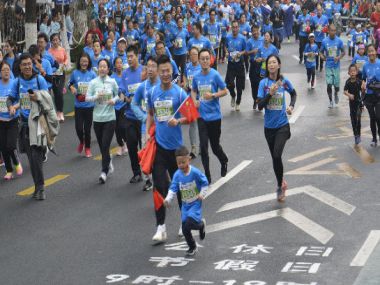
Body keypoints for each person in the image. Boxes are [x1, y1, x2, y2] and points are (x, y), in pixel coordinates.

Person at [146, 55, 187, 243]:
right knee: (159, 186)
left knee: (179, 188)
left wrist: (177, 120)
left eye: (167, 71)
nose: (164, 74)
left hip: (177, 151)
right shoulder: (153, 92)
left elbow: (191, 115)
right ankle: (160, 227)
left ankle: (184, 221)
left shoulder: (179, 93)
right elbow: (150, 113)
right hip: (160, 149)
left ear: (172, 71)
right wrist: (147, 133)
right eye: (161, 71)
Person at [7, 53, 53, 200]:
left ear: (32, 65)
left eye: (29, 64)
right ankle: (37, 186)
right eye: (24, 64)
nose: (27, 67)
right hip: (25, 125)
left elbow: (48, 101)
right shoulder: (18, 82)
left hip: (39, 123)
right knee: (31, 158)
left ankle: (41, 188)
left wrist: (37, 97)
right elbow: (10, 98)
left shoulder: (39, 80)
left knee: (35, 156)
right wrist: (11, 107)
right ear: (20, 67)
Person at [257, 55, 297, 202]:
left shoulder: (283, 81)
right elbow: (260, 105)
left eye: (274, 62)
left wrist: (291, 105)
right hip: (269, 127)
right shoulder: (263, 83)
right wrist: (270, 93)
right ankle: (281, 182)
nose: (272, 65)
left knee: (276, 155)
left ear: (279, 65)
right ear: (267, 67)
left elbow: (293, 93)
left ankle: (280, 186)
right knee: (275, 159)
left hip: (282, 126)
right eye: (269, 63)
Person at [191, 48, 228, 184]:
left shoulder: (215, 75)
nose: (205, 61)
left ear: (210, 60)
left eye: (207, 58)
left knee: (215, 147)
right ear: (199, 60)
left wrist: (213, 95)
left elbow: (225, 91)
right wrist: (194, 100)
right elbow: (193, 90)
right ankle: (207, 175)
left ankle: (223, 160)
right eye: (202, 59)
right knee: (204, 148)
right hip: (202, 117)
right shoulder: (196, 76)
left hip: (215, 117)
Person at [164, 146, 207, 256]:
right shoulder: (177, 175)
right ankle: (192, 247)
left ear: (189, 159)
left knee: (189, 223)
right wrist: (168, 199)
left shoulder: (195, 172)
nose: (181, 165)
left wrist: (202, 194)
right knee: (185, 229)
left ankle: (201, 225)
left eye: (183, 162)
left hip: (195, 203)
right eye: (179, 163)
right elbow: (173, 187)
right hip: (185, 206)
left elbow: (204, 182)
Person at [83, 59, 120, 183]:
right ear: (97, 69)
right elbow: (87, 98)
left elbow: (119, 94)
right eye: (100, 66)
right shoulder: (93, 83)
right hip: (97, 119)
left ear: (108, 69)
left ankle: (104, 172)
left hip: (110, 118)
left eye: (105, 66)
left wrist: (114, 100)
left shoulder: (112, 81)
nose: (102, 68)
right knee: (102, 146)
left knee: (105, 144)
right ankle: (108, 159)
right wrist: (95, 97)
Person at [131, 56, 160, 192]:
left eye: (153, 66)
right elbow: (134, 103)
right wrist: (143, 117)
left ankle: (161, 179)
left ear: (158, 69)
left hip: (161, 128)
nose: (150, 69)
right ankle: (149, 180)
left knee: (160, 155)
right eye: (148, 66)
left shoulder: (163, 85)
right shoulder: (143, 87)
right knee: (147, 155)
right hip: (147, 129)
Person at [120, 45, 144, 184]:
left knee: (144, 147)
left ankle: (148, 172)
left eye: (131, 56)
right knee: (132, 145)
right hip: (129, 115)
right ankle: (136, 173)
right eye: (127, 57)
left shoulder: (144, 71)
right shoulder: (125, 74)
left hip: (143, 117)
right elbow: (121, 91)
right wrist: (125, 98)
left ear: (137, 56)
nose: (129, 59)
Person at [68, 52, 97, 158]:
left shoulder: (92, 74)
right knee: (79, 128)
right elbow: (69, 84)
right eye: (82, 61)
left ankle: (88, 148)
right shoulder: (75, 73)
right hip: (78, 106)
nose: (84, 63)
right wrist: (72, 88)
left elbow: (96, 87)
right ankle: (82, 141)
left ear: (88, 62)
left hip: (89, 106)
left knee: (87, 129)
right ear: (79, 62)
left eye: (86, 61)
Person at [0, 62, 23, 180]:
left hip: (13, 119)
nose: (6, 72)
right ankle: (9, 171)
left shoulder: (14, 84)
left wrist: (14, 107)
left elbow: (22, 100)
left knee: (11, 145)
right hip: (1, 121)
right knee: (3, 147)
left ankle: (16, 162)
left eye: (8, 69)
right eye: (3, 70)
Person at [320, 24, 345, 108]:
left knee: (336, 86)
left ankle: (336, 93)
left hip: (336, 66)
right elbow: (320, 52)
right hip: (328, 66)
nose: (333, 32)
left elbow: (343, 52)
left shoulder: (339, 41)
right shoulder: (324, 41)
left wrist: (339, 57)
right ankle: (331, 101)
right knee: (329, 84)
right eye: (332, 30)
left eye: (334, 30)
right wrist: (323, 57)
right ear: (328, 31)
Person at [183, 47, 201, 158]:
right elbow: (184, 76)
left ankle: (203, 146)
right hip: (190, 99)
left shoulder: (201, 67)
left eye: (195, 54)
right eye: (191, 55)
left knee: (202, 123)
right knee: (192, 123)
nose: (193, 56)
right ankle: (194, 148)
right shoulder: (187, 66)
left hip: (201, 99)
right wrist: (185, 83)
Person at [225, 20, 247, 111]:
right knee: (229, 83)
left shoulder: (242, 38)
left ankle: (238, 102)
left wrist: (240, 53)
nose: (234, 29)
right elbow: (225, 47)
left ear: (238, 28)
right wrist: (226, 52)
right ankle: (233, 95)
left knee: (239, 85)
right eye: (233, 27)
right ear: (231, 27)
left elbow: (245, 49)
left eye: (236, 27)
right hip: (231, 64)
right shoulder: (228, 37)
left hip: (239, 64)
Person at [361, 44, 380, 147]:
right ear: (367, 53)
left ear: (376, 52)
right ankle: (374, 139)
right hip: (369, 95)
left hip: (379, 95)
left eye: (373, 51)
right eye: (369, 51)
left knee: (378, 117)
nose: (371, 53)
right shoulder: (365, 65)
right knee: (372, 118)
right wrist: (363, 83)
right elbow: (363, 78)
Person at [49, 33, 70, 122]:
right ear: (51, 41)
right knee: (55, 92)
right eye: (53, 40)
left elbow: (66, 58)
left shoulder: (62, 50)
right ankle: (57, 112)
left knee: (59, 93)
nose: (55, 41)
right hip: (53, 74)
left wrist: (65, 64)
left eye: (56, 39)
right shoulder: (49, 51)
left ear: (59, 40)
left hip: (61, 74)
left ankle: (60, 112)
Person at [111, 57, 128, 157]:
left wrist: (125, 97)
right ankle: (120, 145)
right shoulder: (112, 77)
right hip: (114, 106)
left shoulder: (125, 76)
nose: (119, 64)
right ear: (114, 65)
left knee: (122, 126)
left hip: (123, 104)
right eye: (117, 63)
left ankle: (125, 142)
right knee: (116, 128)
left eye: (120, 63)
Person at [344, 64, 363, 145]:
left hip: (359, 103)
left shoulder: (359, 81)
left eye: (354, 71)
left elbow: (363, 90)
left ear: (357, 72)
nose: (352, 73)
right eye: (351, 71)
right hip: (352, 104)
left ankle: (358, 135)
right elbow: (344, 91)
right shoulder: (348, 82)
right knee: (353, 120)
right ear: (348, 72)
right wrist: (349, 95)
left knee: (358, 120)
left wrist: (363, 90)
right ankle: (355, 135)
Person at [246, 24, 264, 110]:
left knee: (262, 83)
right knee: (254, 85)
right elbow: (246, 53)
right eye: (253, 31)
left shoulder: (263, 39)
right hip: (253, 64)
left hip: (262, 65)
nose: (255, 32)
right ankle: (255, 99)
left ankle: (260, 100)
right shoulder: (249, 41)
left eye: (257, 30)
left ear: (259, 31)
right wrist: (252, 51)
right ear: (251, 32)